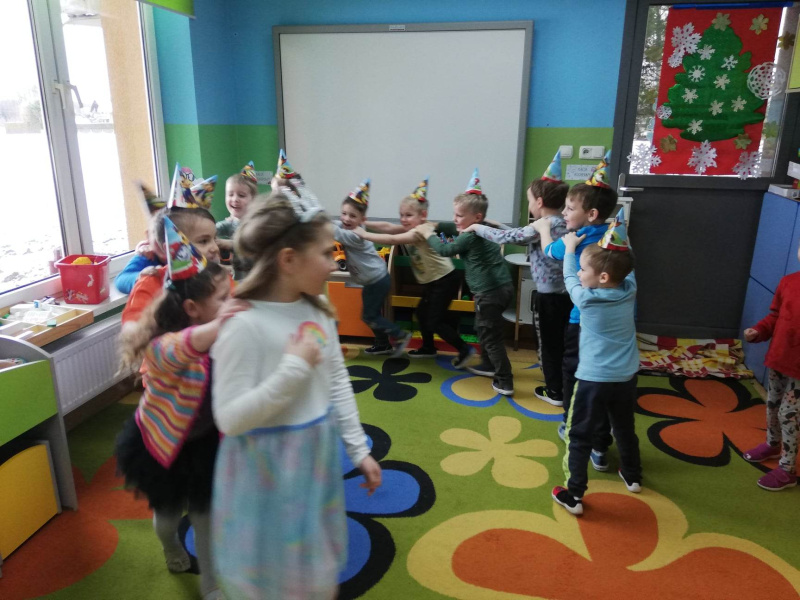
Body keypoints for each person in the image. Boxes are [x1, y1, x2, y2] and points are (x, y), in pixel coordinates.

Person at [210, 190, 382, 599]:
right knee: (268, 570)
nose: (334, 262)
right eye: (325, 253)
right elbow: (230, 418)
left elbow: (336, 379)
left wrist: (358, 449)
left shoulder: (316, 308)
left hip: (313, 456)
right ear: (289, 260)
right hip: (264, 467)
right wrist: (292, 370)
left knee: (312, 564)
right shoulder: (244, 324)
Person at [115, 217, 247, 600]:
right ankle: (171, 547)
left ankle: (211, 584)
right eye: (222, 299)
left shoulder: (218, 331)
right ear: (192, 307)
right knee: (168, 516)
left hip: (204, 440)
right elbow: (187, 345)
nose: (229, 304)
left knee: (205, 516)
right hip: (162, 447)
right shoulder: (162, 346)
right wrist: (223, 322)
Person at [551, 210, 642, 516]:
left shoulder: (587, 300)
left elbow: (568, 277)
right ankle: (632, 476)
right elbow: (628, 268)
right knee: (624, 428)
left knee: (578, 435)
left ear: (602, 277)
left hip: (592, 381)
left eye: (584, 269)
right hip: (626, 378)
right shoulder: (629, 290)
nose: (579, 273)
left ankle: (574, 494)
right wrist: (621, 235)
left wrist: (571, 249)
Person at [464, 150, 570, 404]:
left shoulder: (542, 225)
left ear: (539, 202)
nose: (529, 204)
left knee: (547, 345)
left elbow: (508, 238)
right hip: (566, 295)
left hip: (548, 298)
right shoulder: (562, 222)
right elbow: (520, 234)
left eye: (530, 200)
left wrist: (477, 226)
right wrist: (497, 224)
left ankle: (555, 391)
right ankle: (562, 385)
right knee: (560, 342)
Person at [533, 152, 619, 463]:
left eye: (570, 208)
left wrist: (544, 228)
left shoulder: (578, 237)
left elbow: (550, 252)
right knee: (602, 381)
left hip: (581, 320)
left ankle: (574, 430)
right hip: (611, 323)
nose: (565, 213)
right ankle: (601, 443)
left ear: (591, 214)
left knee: (574, 376)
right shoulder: (611, 235)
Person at [354, 178, 475, 368]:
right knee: (422, 313)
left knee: (435, 321)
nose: (403, 219)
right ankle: (428, 347)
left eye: (408, 215)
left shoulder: (420, 230)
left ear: (423, 215)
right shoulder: (412, 227)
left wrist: (363, 234)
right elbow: (388, 227)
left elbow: (391, 239)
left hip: (445, 280)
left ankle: (464, 349)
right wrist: (365, 222)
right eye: (401, 215)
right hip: (433, 282)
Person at [421, 168, 514, 395]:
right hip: (500, 289)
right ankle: (489, 365)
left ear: (477, 218)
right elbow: (452, 227)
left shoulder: (470, 236)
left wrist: (428, 234)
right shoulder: (483, 228)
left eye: (459, 216)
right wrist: (436, 225)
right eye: (455, 214)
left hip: (489, 293)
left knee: (491, 337)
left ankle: (504, 380)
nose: (455, 219)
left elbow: (445, 250)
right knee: (484, 329)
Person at [122, 164, 223, 326]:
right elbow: (133, 333)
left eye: (214, 239)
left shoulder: (219, 277)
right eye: (204, 241)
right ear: (170, 245)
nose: (215, 248)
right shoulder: (151, 283)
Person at [742, 240, 800, 491]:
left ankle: (787, 469)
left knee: (789, 414)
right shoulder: (788, 282)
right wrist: (759, 331)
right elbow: (775, 316)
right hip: (779, 358)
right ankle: (773, 443)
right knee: (773, 405)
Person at [333, 177, 411, 355]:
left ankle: (400, 335)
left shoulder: (355, 235)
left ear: (362, 219)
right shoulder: (347, 226)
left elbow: (333, 230)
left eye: (352, 216)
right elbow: (336, 224)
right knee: (370, 315)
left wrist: (313, 217)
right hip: (372, 280)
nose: (346, 219)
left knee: (369, 315)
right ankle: (383, 343)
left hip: (377, 280)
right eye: (344, 213)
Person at [116, 182, 166, 295]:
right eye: (157, 232)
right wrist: (140, 276)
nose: (164, 240)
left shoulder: (187, 255)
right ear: (148, 236)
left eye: (170, 233)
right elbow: (121, 280)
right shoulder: (148, 256)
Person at [216, 161, 258, 281]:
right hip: (238, 276)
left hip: (255, 277)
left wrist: (228, 243)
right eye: (230, 194)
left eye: (241, 195)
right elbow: (217, 227)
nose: (235, 199)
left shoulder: (255, 222)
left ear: (253, 199)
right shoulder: (230, 222)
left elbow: (250, 245)